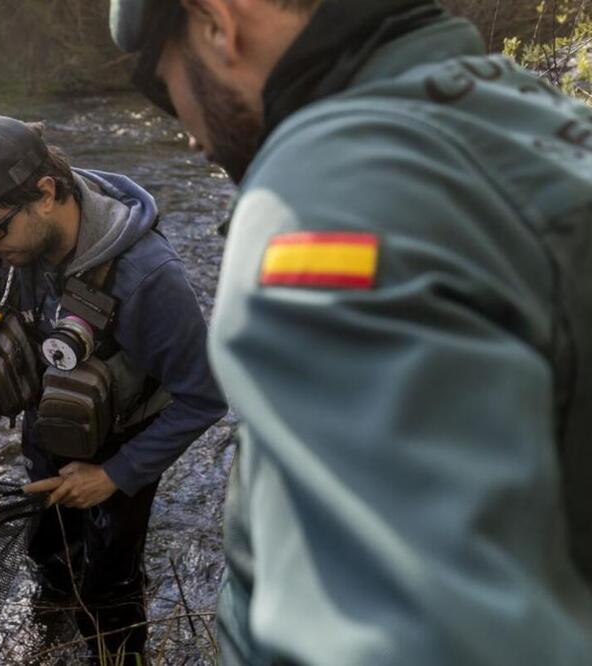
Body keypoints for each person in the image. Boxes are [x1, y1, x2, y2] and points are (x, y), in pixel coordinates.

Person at [110, 0, 592, 664]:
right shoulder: (537, 119)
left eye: (168, 88)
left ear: (217, 23)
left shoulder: (323, 200)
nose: (191, 138)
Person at [0, 114, 227, 663]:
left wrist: (115, 476)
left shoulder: (148, 276)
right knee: (51, 556)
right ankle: (53, 640)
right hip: (47, 420)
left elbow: (204, 396)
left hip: (127, 436)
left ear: (44, 193)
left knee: (111, 585)